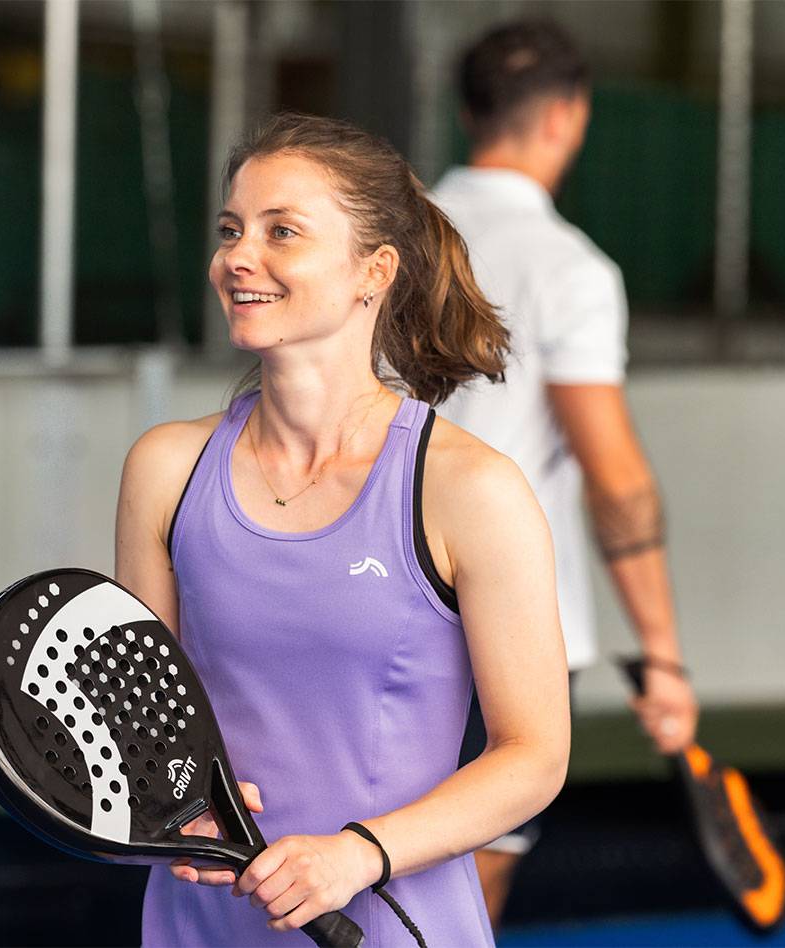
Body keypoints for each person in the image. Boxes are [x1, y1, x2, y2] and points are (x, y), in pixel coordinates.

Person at [115, 113, 569, 946]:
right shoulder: (165, 470)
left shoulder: (469, 490)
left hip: (392, 925)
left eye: (281, 231)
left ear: (374, 271)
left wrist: (359, 854)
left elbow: (534, 755)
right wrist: (167, 800)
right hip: (198, 927)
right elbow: (151, 725)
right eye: (230, 230)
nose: (237, 258)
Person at [432, 19, 701, 926]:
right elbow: (614, 480)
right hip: (505, 628)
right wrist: (662, 659)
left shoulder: (383, 242)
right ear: (569, 118)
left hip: (361, 601)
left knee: (338, 870)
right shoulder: (570, 270)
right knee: (460, 897)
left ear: (469, 113)